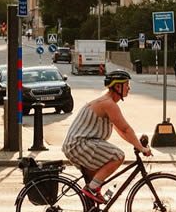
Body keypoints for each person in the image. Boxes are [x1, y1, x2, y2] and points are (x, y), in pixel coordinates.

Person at [62, 69, 151, 202]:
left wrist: (136, 144)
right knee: (118, 156)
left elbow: (120, 131)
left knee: (96, 181)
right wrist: (141, 148)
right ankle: (91, 189)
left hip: (77, 145)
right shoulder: (108, 104)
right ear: (117, 86)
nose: (129, 88)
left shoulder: (106, 102)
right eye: (127, 84)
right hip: (80, 145)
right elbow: (126, 129)